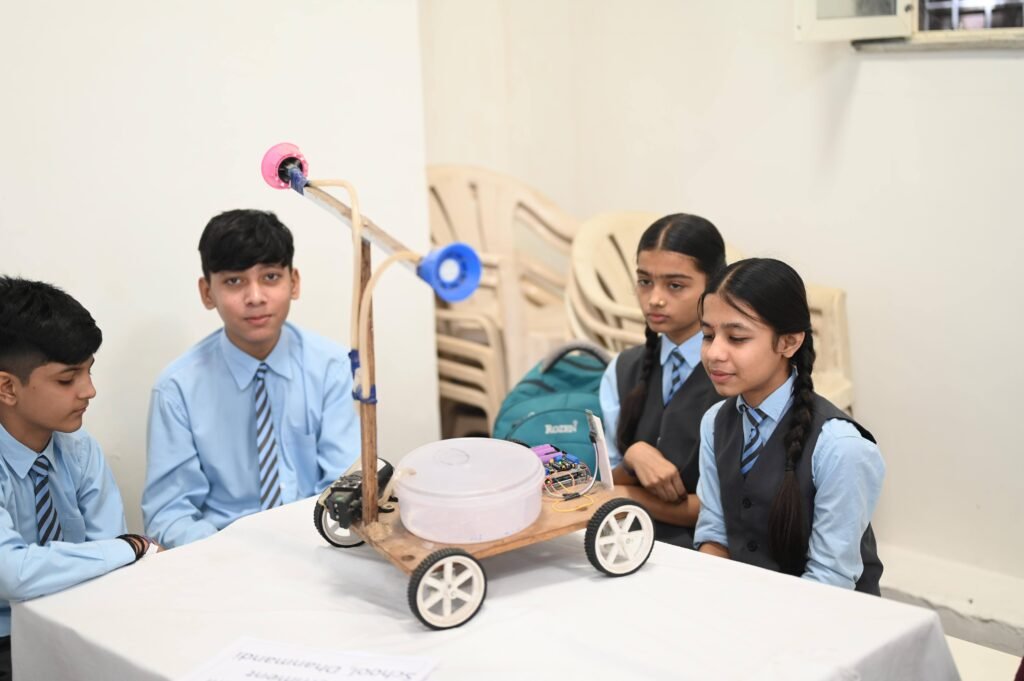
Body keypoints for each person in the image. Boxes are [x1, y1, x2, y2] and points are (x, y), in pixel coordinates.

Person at [142, 209, 360, 548]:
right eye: (234, 281)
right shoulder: (178, 389)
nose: (255, 297)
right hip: (218, 554)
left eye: (271, 277)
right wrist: (229, 557)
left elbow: (344, 485)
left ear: (295, 282)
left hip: (316, 546)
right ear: (207, 292)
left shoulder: (332, 368)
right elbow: (169, 513)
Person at [694, 258, 884, 593]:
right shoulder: (714, 422)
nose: (714, 353)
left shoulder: (841, 447)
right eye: (708, 335)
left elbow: (830, 580)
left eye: (736, 338)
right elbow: (714, 532)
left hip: (823, 619)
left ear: (789, 343)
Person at [0, 277, 152, 679]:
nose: (89, 390)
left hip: (79, 622)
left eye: (89, 371)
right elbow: (11, 574)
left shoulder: (80, 450)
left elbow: (110, 560)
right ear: (7, 388)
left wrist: (121, 552)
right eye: (67, 380)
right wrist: (131, 547)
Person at [598, 214, 726, 548]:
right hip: (626, 540)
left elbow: (729, 511)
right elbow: (606, 482)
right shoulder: (622, 369)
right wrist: (634, 456)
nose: (654, 298)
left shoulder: (738, 374)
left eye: (675, 285)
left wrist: (626, 493)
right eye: (644, 281)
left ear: (713, 285)